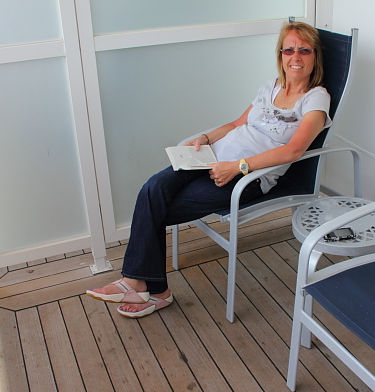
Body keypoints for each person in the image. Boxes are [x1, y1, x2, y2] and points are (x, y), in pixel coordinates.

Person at [86, 21, 332, 318]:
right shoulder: (272, 86)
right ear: (280, 54)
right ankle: (146, 288)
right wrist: (205, 138)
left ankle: (146, 288)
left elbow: (294, 150)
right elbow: (236, 124)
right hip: (212, 157)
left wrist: (237, 167)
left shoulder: (316, 98)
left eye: (304, 50)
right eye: (289, 49)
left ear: (315, 56)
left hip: (246, 175)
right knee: (153, 189)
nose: (296, 56)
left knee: (159, 208)